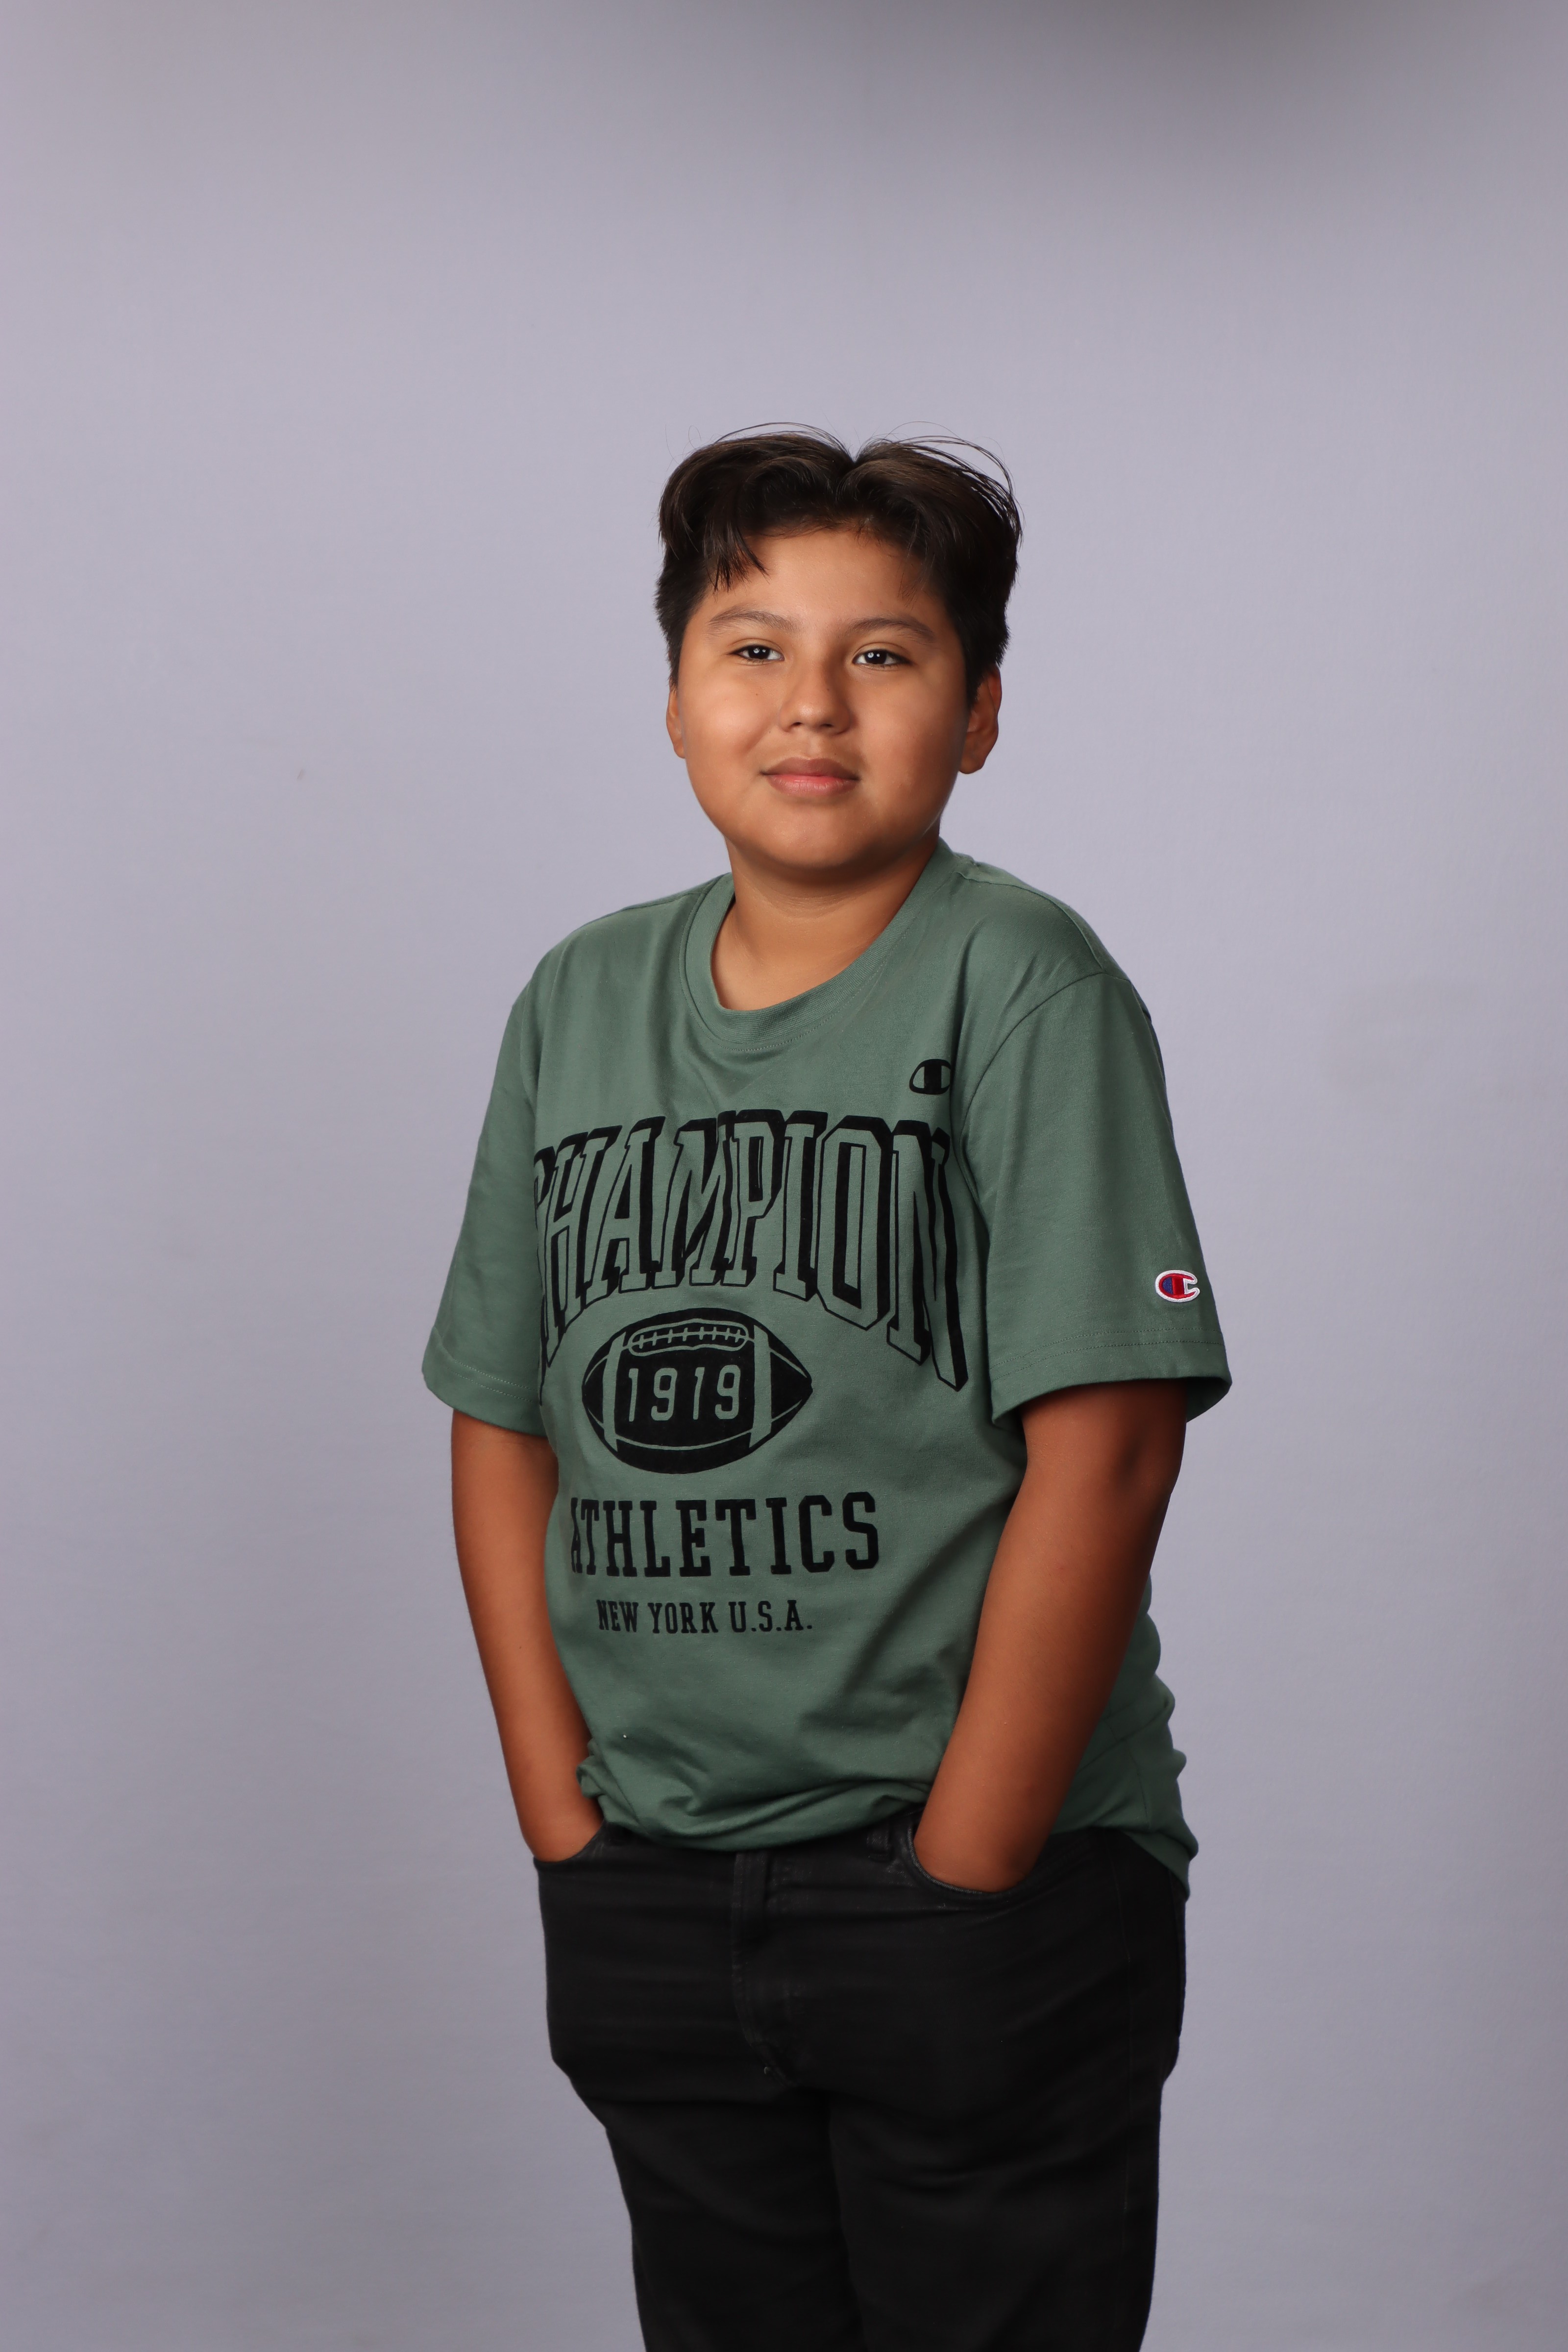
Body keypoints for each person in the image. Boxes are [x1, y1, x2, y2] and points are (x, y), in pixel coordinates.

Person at [422, 429, 1230, 2352]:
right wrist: (562, 1816)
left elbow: (1110, 1447)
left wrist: (971, 1856)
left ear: (978, 713)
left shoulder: (1021, 981)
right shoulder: (577, 1002)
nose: (812, 702)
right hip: (656, 1871)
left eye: (882, 653)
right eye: (752, 648)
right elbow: (502, 1419)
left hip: (968, 1875)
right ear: (675, 703)